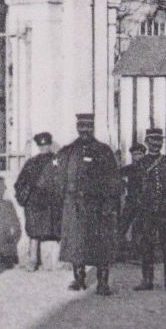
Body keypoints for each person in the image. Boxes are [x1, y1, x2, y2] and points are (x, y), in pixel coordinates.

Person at [58, 112, 121, 296]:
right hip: (75, 207)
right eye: (81, 127)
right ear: (77, 128)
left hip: (99, 207)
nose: (84, 131)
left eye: (88, 127)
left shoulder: (104, 150)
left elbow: (113, 179)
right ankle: (79, 279)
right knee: (76, 245)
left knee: (102, 245)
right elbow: (61, 176)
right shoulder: (69, 150)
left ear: (92, 128)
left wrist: (110, 203)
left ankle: (102, 282)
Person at [127, 126, 166, 292]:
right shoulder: (140, 165)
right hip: (146, 211)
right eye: (152, 141)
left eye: (159, 141)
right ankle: (147, 280)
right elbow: (134, 189)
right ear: (147, 142)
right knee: (146, 246)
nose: (156, 144)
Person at [13, 132, 62, 271]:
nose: (44, 148)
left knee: (60, 227)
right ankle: (33, 259)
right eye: (41, 146)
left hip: (52, 201)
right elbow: (20, 182)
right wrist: (25, 197)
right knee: (33, 231)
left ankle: (62, 260)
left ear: (50, 145)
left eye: (46, 145)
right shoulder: (32, 163)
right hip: (35, 202)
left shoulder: (58, 162)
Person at [118, 141, 148, 255]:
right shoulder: (129, 169)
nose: (137, 157)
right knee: (123, 224)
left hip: (145, 201)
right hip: (131, 200)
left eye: (140, 154)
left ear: (144, 154)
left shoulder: (148, 169)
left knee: (140, 226)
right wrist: (123, 184)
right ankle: (118, 249)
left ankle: (139, 250)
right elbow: (117, 176)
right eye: (135, 154)